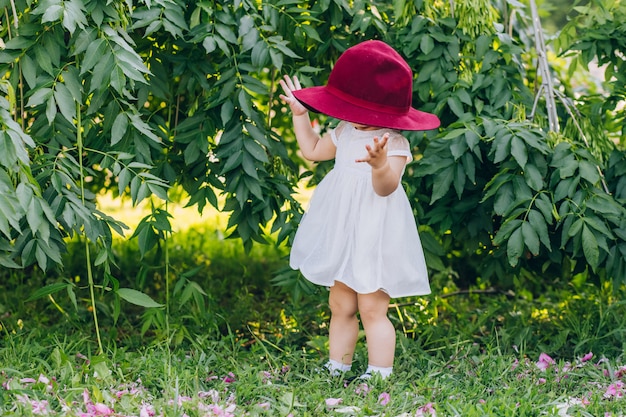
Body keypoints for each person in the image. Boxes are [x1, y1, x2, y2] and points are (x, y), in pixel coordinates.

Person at [279, 40, 440, 380]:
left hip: (375, 231)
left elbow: (386, 188)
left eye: (368, 115)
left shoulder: (394, 143)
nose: (361, 122)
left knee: (371, 306)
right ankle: (338, 365)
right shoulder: (344, 131)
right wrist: (300, 115)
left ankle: (379, 372)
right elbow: (311, 150)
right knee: (341, 303)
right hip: (343, 228)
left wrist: (379, 165)